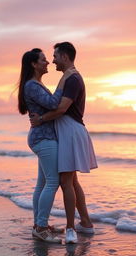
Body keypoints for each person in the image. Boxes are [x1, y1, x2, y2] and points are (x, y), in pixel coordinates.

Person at [30, 42, 98, 244]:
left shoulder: (73, 78)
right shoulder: (68, 77)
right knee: (72, 181)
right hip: (69, 130)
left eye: (56, 56)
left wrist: (40, 120)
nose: (52, 60)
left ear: (66, 57)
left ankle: (71, 229)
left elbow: (60, 109)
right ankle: (85, 223)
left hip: (70, 131)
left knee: (66, 181)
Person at [17, 48, 75, 243]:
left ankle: (38, 225)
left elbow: (49, 105)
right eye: (43, 60)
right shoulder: (32, 86)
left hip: (42, 137)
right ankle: (41, 228)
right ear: (34, 64)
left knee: (43, 183)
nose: (47, 62)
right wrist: (64, 79)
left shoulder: (35, 84)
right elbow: (52, 103)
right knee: (52, 182)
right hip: (44, 138)